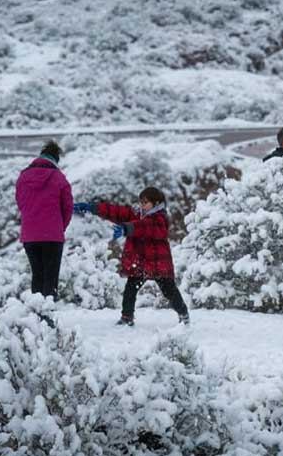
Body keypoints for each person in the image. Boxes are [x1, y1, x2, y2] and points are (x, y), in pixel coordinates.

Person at [73, 186, 189, 327]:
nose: (142, 205)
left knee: (169, 291)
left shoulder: (160, 218)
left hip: (158, 263)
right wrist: (93, 208)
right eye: (141, 202)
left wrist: (127, 228)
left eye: (145, 202)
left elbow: (145, 227)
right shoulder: (137, 213)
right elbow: (116, 211)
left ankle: (183, 314)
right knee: (130, 289)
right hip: (141, 263)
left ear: (156, 202)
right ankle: (127, 317)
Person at [15, 140, 73, 298]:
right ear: (56, 159)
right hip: (53, 236)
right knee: (50, 278)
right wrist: (60, 227)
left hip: (30, 235)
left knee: (37, 275)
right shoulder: (59, 178)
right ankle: (48, 316)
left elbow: (21, 203)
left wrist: (31, 219)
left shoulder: (23, 177)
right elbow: (68, 208)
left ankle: (36, 314)